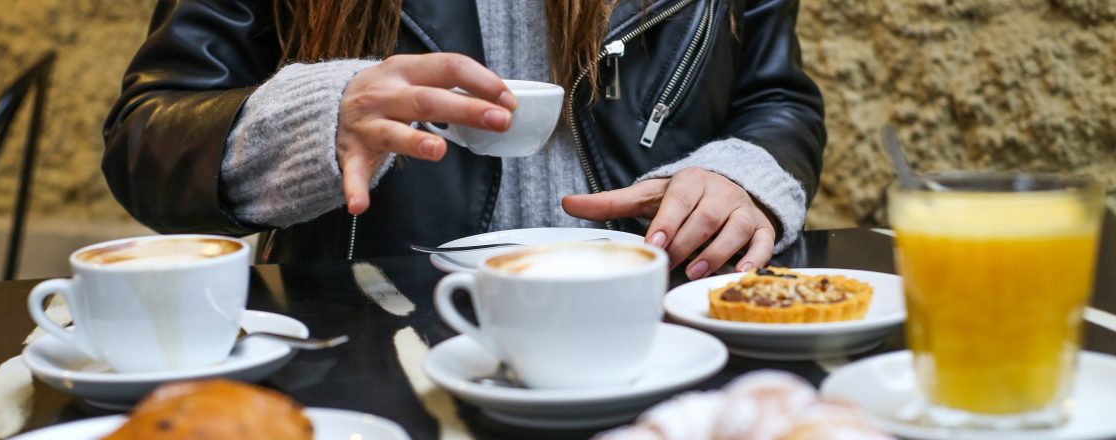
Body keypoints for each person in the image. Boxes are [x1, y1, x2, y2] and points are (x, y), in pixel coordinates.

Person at [102, 0, 825, 278]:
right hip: (379, 336)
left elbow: (775, 98)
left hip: (659, 321)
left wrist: (740, 179)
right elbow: (145, 140)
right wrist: (317, 115)